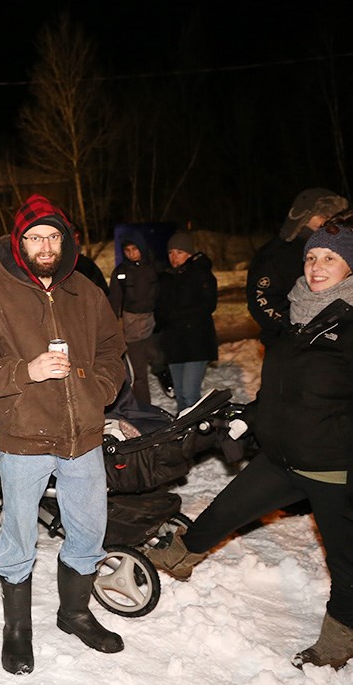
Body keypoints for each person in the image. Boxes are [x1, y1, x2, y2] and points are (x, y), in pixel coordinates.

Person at [148, 214, 353, 670]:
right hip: (280, 457)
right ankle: (177, 557)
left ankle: (338, 641)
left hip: (331, 466)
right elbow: (279, 391)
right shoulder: (294, 317)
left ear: (350, 268)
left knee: (345, 560)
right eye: (313, 257)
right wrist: (251, 418)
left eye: (332, 259)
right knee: (224, 510)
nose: (318, 267)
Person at [0, 194, 127, 675]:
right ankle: (17, 629)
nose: (46, 246)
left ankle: (73, 613)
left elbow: (114, 347)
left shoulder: (85, 292)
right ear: (19, 242)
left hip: (83, 436)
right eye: (36, 237)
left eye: (54, 236)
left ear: (65, 240)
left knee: (89, 529)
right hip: (23, 437)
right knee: (18, 536)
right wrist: (25, 370)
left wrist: (103, 387)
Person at [247, 188, 348, 349]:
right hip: (289, 346)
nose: (328, 220)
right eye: (323, 214)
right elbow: (262, 299)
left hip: (330, 345)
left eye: (333, 215)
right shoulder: (278, 252)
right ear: (304, 215)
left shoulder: (336, 248)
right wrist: (297, 326)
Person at [156, 231, 218, 412]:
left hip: (196, 343)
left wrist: (173, 315)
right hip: (174, 343)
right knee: (181, 394)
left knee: (190, 394)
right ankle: (185, 434)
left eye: (179, 252)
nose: (174, 257)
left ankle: (199, 435)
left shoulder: (201, 273)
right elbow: (159, 307)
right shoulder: (167, 276)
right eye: (170, 253)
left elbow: (208, 305)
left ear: (189, 253)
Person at [108, 238, 169, 406]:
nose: (131, 253)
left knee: (157, 356)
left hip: (154, 322)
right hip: (131, 324)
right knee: (138, 370)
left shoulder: (156, 267)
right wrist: (111, 328)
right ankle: (145, 407)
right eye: (127, 250)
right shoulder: (121, 272)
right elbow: (114, 300)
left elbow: (167, 294)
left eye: (135, 249)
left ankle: (165, 375)